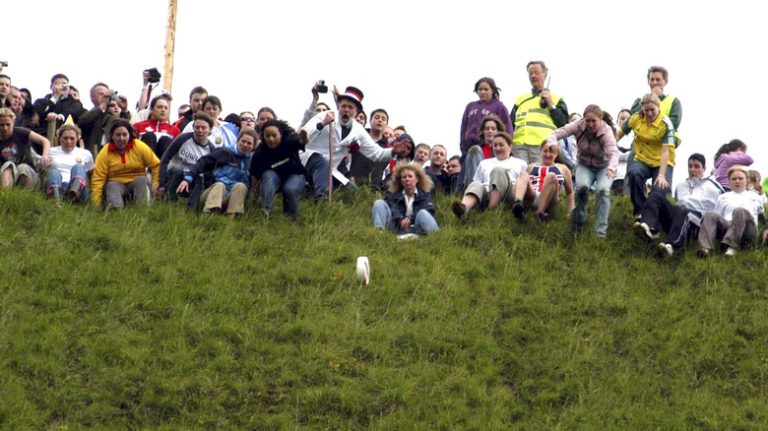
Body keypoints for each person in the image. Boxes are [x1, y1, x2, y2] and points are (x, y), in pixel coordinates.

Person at [299, 86, 405, 200]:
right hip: (310, 159)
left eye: (350, 107)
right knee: (322, 166)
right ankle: (321, 201)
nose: (346, 110)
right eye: (344, 106)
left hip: (332, 170)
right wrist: (322, 124)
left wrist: (394, 151)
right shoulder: (325, 115)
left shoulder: (358, 130)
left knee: (355, 194)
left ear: (356, 112)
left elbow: (376, 153)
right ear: (339, 106)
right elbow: (304, 133)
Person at [545, 104, 618, 238]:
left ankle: (600, 233)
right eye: (587, 121)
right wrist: (552, 143)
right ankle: (577, 223)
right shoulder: (578, 125)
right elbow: (555, 134)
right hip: (584, 165)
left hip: (604, 167)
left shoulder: (606, 132)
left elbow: (613, 153)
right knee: (582, 188)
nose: (590, 124)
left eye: (594, 121)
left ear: (600, 120)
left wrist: (611, 169)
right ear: (583, 120)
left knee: (603, 191)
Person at [632, 153, 724, 257]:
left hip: (697, 224)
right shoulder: (681, 186)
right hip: (678, 217)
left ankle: (671, 245)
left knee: (683, 210)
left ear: (704, 168)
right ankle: (650, 228)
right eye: (690, 166)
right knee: (656, 195)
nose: (692, 170)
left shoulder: (713, 187)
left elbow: (717, 211)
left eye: (697, 166)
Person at [616, 93, 675, 217]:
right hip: (643, 159)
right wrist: (607, 149)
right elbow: (618, 135)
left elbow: (666, 151)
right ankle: (639, 210)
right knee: (633, 173)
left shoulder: (666, 124)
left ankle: (654, 218)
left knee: (659, 188)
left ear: (658, 107)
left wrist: (661, 175)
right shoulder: (635, 118)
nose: (649, 113)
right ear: (642, 108)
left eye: (652, 110)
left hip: (662, 161)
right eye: (646, 110)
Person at [177, 129, 255, 219]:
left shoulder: (250, 161)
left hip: (230, 199)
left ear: (253, 146)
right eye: (243, 141)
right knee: (220, 185)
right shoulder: (225, 152)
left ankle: (231, 217)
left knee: (241, 186)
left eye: (249, 143)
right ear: (238, 140)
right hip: (212, 194)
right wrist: (188, 178)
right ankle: (208, 215)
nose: (245, 145)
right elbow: (203, 162)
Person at [451, 132, 527, 219]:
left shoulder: (520, 163)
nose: (498, 148)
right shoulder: (484, 163)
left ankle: (492, 209)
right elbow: (477, 182)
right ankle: (464, 208)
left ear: (510, 147)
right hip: (487, 193)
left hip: (509, 193)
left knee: (497, 170)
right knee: (476, 184)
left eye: (501, 145)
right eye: (495, 145)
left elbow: (523, 181)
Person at [90, 119, 160, 208]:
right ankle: (116, 211)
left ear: (129, 135)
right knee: (112, 185)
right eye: (118, 135)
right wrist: (96, 204)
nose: (121, 138)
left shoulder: (139, 146)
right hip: (115, 183)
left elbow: (156, 165)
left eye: (124, 135)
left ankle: (143, 209)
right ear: (112, 136)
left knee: (142, 180)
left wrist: (155, 183)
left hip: (137, 181)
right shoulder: (105, 152)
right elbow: (98, 178)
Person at [697, 165, 764, 257]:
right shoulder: (723, 197)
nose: (737, 181)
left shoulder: (755, 197)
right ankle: (705, 249)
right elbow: (717, 217)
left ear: (746, 181)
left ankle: (731, 246)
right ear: (729, 181)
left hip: (748, 232)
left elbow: (762, 217)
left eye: (740, 178)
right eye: (734, 179)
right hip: (728, 229)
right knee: (710, 215)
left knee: (740, 211)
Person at [510, 61, 569, 163]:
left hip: (542, 145)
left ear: (544, 75)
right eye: (530, 73)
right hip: (519, 146)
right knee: (521, 177)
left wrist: (550, 104)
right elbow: (510, 123)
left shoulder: (556, 98)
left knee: (538, 176)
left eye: (537, 72)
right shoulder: (521, 99)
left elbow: (563, 123)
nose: (533, 76)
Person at [250, 119, 307, 220]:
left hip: (296, 175)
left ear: (281, 134)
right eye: (267, 136)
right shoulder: (260, 151)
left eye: (274, 135)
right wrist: (254, 198)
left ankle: (290, 219)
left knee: (289, 189)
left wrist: (303, 138)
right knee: (268, 176)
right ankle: (265, 212)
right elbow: (254, 175)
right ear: (263, 136)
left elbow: (301, 141)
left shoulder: (289, 140)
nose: (271, 139)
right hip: (273, 179)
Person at [511, 140, 574, 221]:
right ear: (540, 152)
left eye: (551, 152)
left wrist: (571, 211)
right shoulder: (532, 166)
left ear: (556, 154)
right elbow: (523, 182)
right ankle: (518, 203)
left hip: (550, 196)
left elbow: (570, 192)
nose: (548, 154)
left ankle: (540, 212)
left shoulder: (562, 168)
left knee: (551, 176)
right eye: (545, 151)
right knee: (523, 174)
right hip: (533, 194)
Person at [372, 161, 438, 238]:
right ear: (401, 181)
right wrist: (401, 220)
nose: (407, 179)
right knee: (379, 203)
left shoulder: (424, 195)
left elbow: (429, 208)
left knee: (423, 213)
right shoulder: (394, 195)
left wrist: (410, 219)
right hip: (397, 227)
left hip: (416, 227)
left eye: (410, 176)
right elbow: (393, 208)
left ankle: (437, 238)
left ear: (417, 179)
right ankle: (379, 233)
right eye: (404, 177)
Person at [158, 112, 216, 201]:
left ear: (210, 129)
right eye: (197, 127)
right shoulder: (183, 138)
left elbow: (209, 173)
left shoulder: (211, 149)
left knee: (199, 178)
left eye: (203, 128)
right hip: (175, 174)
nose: (200, 130)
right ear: (193, 127)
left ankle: (193, 209)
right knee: (177, 169)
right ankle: (170, 201)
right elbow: (165, 158)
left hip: (194, 178)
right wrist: (161, 184)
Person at [459, 77, 514, 169]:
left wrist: (505, 145)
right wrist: (463, 146)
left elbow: (508, 127)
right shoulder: (470, 106)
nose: (482, 92)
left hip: (490, 147)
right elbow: (464, 127)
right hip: (470, 147)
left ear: (492, 90)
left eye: (486, 89)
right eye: (480, 89)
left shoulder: (499, 106)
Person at [0, 108, 51, 189]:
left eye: (8, 124)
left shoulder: (20, 132)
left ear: (13, 122)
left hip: (29, 173)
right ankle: (6, 196)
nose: (5, 128)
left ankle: (25, 197)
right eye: (2, 125)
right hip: (8, 174)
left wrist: (45, 155)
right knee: (8, 165)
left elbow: (45, 141)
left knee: (22, 168)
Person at [46, 124, 94, 204]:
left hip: (80, 189)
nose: (69, 141)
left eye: (72, 138)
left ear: (77, 138)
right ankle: (55, 200)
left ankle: (75, 191)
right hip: (60, 185)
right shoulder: (51, 151)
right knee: (54, 172)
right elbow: (41, 166)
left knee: (79, 167)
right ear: (60, 138)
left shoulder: (85, 153)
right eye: (65, 138)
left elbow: (91, 172)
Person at [612, 108, 633, 194]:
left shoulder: (636, 136)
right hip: (614, 178)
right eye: (622, 118)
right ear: (617, 121)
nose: (625, 121)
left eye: (628, 119)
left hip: (630, 177)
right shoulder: (611, 136)